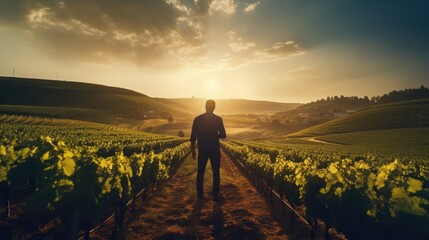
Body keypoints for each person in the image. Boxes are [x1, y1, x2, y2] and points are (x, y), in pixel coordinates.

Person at [190, 100, 226, 202]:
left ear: (205, 106)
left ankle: (200, 196)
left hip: (202, 150)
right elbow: (223, 135)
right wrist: (215, 135)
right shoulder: (218, 119)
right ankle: (216, 195)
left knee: (200, 173)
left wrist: (193, 151)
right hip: (214, 149)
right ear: (214, 107)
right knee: (216, 173)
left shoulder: (197, 119)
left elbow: (193, 137)